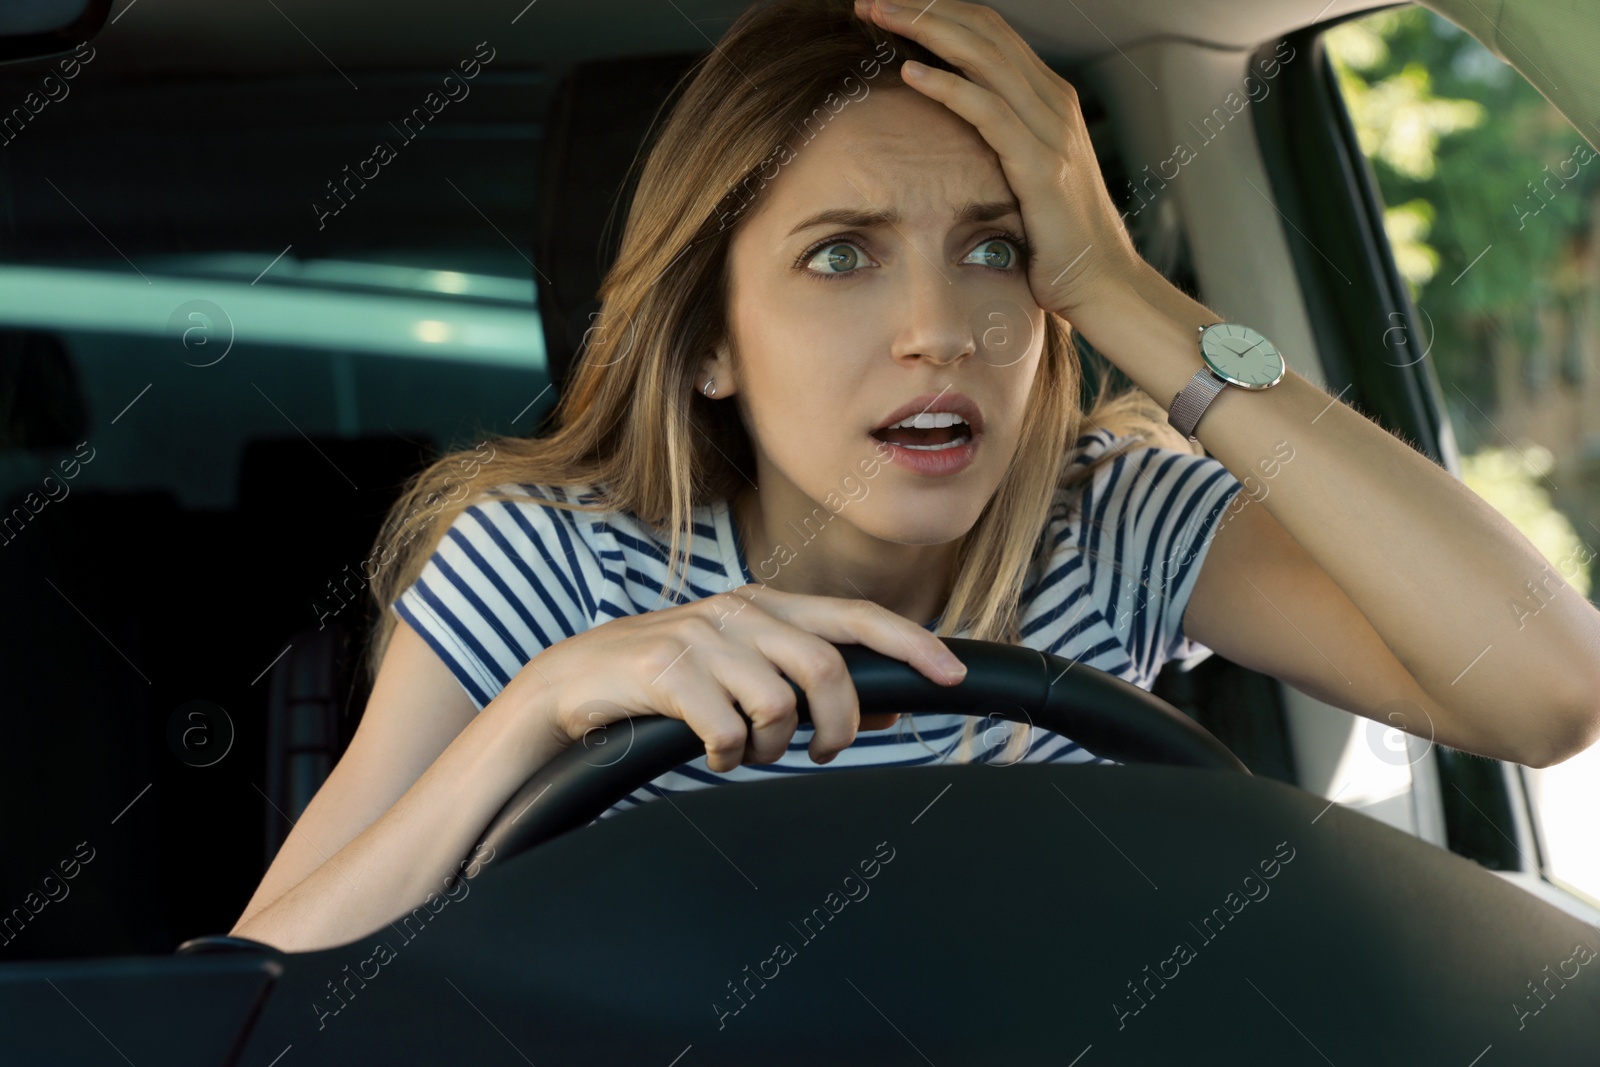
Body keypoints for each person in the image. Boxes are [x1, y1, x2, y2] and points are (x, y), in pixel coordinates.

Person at [230, 0, 1600, 954]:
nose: (942, 329)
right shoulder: (547, 562)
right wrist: (533, 714)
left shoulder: (1108, 518)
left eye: (998, 250)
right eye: (842, 253)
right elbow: (254, 990)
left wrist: (1121, 289)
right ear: (708, 340)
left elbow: (1549, 691)